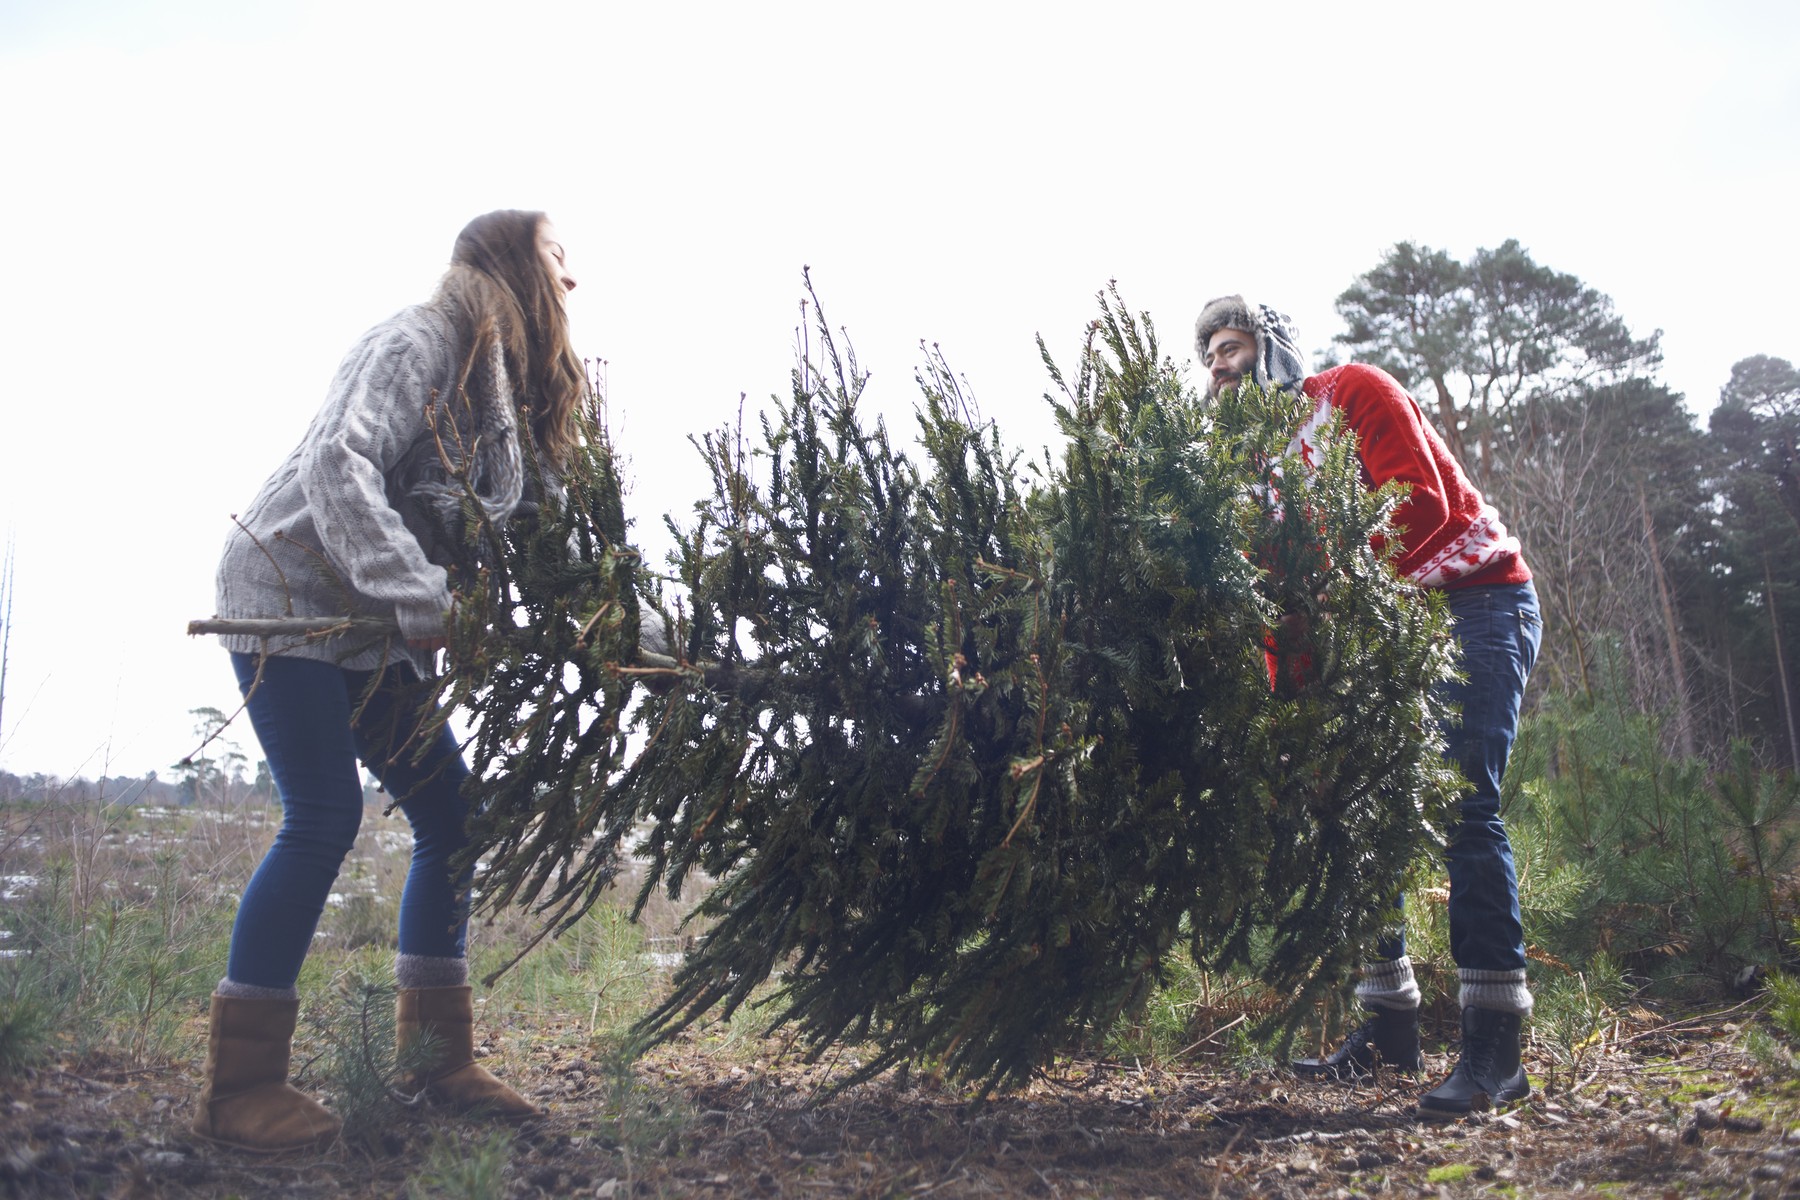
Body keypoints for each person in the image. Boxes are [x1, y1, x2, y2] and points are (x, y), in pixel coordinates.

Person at [194, 210, 584, 1151]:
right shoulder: (418, 341)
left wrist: (651, 635)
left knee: (452, 812)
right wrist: (421, 594)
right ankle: (240, 1087)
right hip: (287, 598)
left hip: (373, 627)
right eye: (559, 258)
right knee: (323, 814)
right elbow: (340, 459)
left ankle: (437, 1061)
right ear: (509, 264)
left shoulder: (507, 405)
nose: (574, 283)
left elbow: (559, 547)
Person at [1195, 296, 1542, 1119]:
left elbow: (1413, 503)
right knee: (1342, 808)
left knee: (1463, 803)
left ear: (1271, 350)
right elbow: (1278, 601)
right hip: (1368, 630)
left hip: (1473, 599)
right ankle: (1389, 1026)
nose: (1218, 364)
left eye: (1232, 346)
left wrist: (1334, 598)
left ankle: (1497, 1048)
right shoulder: (1254, 474)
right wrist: (1292, 711)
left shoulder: (1353, 392)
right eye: (1207, 355)